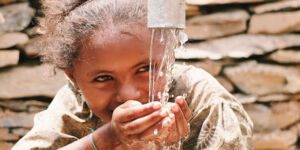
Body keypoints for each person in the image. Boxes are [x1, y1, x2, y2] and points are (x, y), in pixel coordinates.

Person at [13, 0, 253, 149]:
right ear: (73, 78)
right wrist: (107, 139)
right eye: (103, 78)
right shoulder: (74, 106)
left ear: (168, 56)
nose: (129, 95)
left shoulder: (204, 100)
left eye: (145, 69)